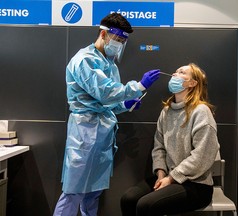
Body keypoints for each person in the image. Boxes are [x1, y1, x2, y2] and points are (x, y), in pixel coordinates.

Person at [53, 13, 160, 216]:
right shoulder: (84, 60)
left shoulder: (110, 64)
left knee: (92, 193)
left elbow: (109, 101)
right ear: (103, 34)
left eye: (122, 42)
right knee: (73, 192)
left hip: (102, 136)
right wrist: (138, 86)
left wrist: (124, 105)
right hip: (84, 133)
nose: (119, 45)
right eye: (117, 40)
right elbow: (105, 91)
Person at [120, 63, 221, 216]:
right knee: (128, 199)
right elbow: (159, 147)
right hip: (168, 176)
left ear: (192, 83)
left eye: (181, 72)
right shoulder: (166, 112)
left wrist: (171, 178)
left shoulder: (201, 112)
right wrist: (161, 174)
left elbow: (201, 157)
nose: (174, 74)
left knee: (146, 205)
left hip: (196, 185)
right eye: (175, 71)